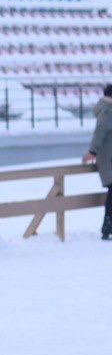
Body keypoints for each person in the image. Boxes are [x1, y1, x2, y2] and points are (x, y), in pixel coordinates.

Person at [81, 84, 112, 241]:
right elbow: (99, 132)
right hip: (108, 159)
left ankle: (107, 228)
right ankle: (107, 228)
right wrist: (92, 152)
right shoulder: (107, 111)